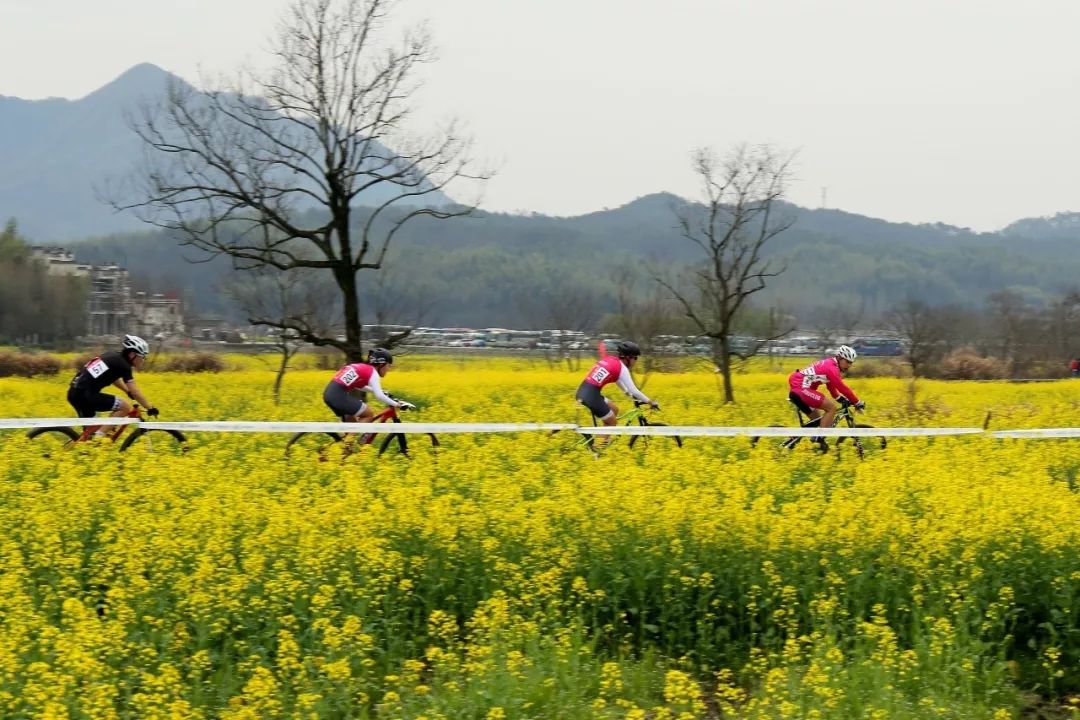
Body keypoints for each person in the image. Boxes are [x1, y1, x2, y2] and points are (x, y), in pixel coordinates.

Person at [68, 334, 159, 422]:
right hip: (85, 395)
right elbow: (135, 392)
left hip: (74, 393)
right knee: (125, 407)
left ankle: (96, 436)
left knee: (90, 431)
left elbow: (113, 378)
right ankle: (100, 437)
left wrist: (127, 391)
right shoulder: (124, 366)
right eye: (142, 356)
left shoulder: (113, 356)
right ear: (132, 354)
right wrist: (149, 408)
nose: (144, 360)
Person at [576, 340, 658, 429]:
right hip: (591, 396)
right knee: (612, 422)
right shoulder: (622, 368)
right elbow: (634, 391)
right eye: (636, 358)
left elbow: (617, 378)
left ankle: (604, 438)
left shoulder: (611, 360)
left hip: (584, 391)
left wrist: (626, 392)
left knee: (614, 409)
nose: (636, 361)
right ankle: (599, 443)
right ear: (629, 357)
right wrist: (650, 402)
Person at [787, 345, 864, 439]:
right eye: (847, 362)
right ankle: (819, 439)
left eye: (851, 363)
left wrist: (839, 398)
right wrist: (857, 402)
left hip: (799, 390)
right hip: (801, 389)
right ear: (840, 358)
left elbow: (831, 386)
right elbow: (842, 387)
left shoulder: (831, 364)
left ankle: (790, 441)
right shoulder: (832, 368)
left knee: (818, 421)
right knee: (831, 409)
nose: (849, 365)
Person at [323, 347, 415, 422]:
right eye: (388, 366)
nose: (388, 369)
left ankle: (346, 444)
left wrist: (377, 390)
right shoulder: (372, 372)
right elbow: (379, 396)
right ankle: (350, 442)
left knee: (351, 422)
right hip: (338, 396)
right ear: (381, 364)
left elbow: (358, 385)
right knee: (368, 414)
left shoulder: (363, 367)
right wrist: (397, 405)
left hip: (330, 394)